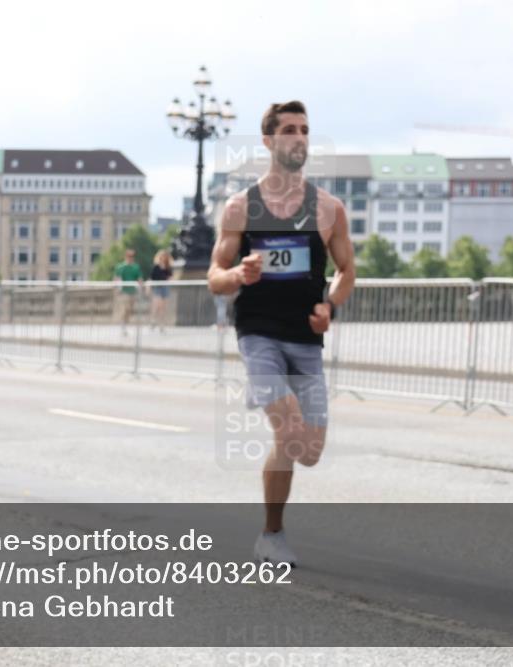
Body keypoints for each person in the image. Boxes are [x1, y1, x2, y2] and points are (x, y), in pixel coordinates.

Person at [207, 101, 355, 566]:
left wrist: (329, 306)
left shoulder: (328, 208)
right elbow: (214, 274)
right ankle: (272, 536)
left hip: (306, 338)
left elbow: (347, 270)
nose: (299, 137)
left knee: (305, 450)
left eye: (305, 130)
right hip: (259, 334)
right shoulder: (241, 207)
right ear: (268, 141)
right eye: (289, 130)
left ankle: (270, 527)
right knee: (289, 427)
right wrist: (239, 275)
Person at [114, 248, 143, 336]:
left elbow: (139, 278)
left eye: (132, 256)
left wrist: (141, 287)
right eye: (129, 256)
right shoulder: (120, 267)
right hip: (123, 292)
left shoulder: (136, 267)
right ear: (126, 256)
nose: (131, 258)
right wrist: (116, 288)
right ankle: (123, 327)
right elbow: (117, 278)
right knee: (124, 309)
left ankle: (125, 325)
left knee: (129, 310)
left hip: (132, 292)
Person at [149, 250, 173, 332]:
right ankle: (153, 320)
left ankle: (161, 325)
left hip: (165, 287)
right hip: (157, 287)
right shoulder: (156, 267)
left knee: (163, 308)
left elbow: (170, 276)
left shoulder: (168, 267)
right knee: (157, 305)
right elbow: (152, 277)